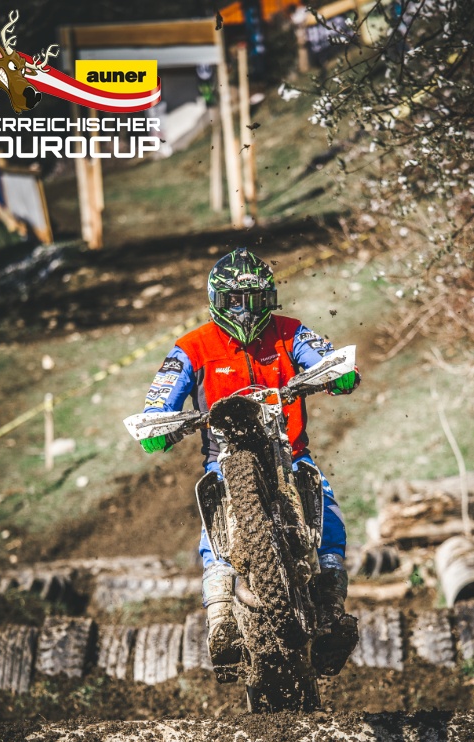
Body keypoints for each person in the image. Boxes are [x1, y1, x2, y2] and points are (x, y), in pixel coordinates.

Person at [140, 248, 360, 679]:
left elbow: (327, 360)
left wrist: (338, 373)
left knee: (329, 516)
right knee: (215, 528)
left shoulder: (290, 333)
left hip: (290, 453)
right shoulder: (191, 348)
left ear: (270, 300)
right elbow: (160, 398)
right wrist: (157, 424)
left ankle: (331, 610)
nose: (245, 310)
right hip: (224, 459)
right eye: (234, 301)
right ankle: (221, 616)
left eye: (255, 300)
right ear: (216, 301)